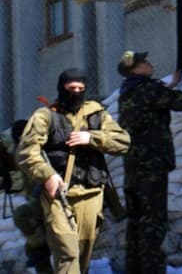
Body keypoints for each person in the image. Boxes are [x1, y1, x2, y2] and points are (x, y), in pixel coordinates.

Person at [116, 51, 182, 274]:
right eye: (144, 62)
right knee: (153, 224)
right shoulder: (148, 89)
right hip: (152, 167)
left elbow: (153, 103)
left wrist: (171, 85)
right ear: (135, 69)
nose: (149, 63)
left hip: (133, 167)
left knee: (136, 225)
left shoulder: (128, 93)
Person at [18, 68, 131, 274]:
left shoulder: (96, 114)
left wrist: (92, 138)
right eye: (71, 88)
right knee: (67, 252)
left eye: (81, 88)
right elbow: (27, 152)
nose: (76, 92)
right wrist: (48, 175)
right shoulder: (45, 116)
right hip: (58, 195)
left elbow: (123, 142)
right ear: (61, 88)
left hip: (92, 193)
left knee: (82, 255)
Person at [0, 118, 53, 273]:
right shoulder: (22, 150)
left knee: (23, 218)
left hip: (47, 198)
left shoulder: (38, 149)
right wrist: (1, 155)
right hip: (37, 200)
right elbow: (13, 164)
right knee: (34, 251)